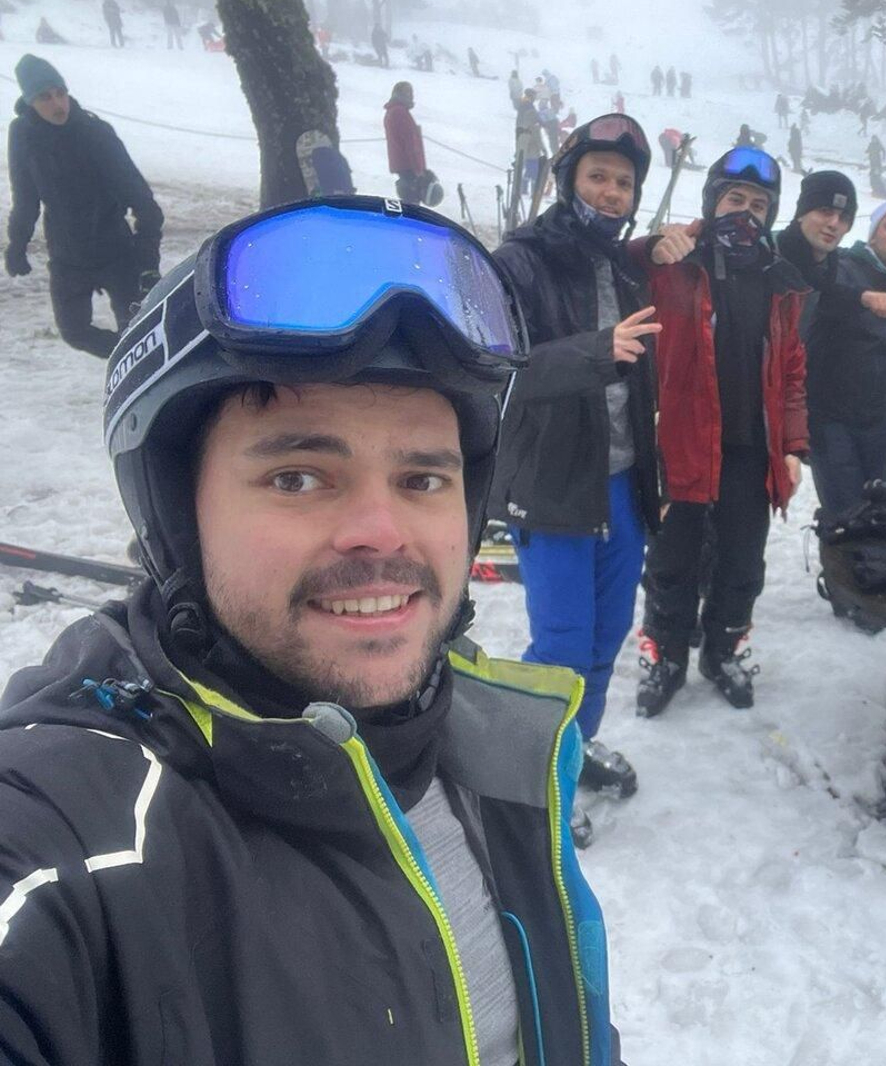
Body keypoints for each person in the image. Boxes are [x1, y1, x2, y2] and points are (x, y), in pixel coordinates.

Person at [0, 196, 619, 1064]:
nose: (383, 532)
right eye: (298, 477)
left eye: (422, 479)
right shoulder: (73, 837)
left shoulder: (493, 752)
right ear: (179, 518)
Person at [492, 115, 661, 840]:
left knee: (605, 638)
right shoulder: (521, 259)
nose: (612, 191)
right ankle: (537, 788)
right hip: (555, 485)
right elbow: (497, 368)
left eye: (625, 182)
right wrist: (597, 350)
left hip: (623, 482)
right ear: (568, 179)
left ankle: (572, 749)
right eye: (598, 176)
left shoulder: (625, 263)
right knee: (560, 646)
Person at [634, 147, 807, 715]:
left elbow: (791, 368)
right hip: (681, 443)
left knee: (742, 560)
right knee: (672, 559)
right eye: (736, 199)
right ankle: (666, 655)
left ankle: (724, 649)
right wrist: (649, 248)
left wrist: (793, 446)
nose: (747, 213)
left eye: (759, 205)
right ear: (712, 202)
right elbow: (616, 269)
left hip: (750, 450)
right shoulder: (674, 260)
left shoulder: (779, 278)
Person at [5, 54, 164, 359]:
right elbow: (25, 197)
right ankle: (123, 358)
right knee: (73, 331)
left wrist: (147, 261)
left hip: (116, 251)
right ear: (29, 102)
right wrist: (17, 244)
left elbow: (141, 200)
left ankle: (134, 371)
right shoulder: (23, 135)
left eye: (60, 93)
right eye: (45, 97)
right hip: (67, 256)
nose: (57, 104)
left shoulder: (95, 132)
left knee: (139, 332)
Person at [802, 196, 886, 524]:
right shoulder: (839, 265)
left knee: (877, 506)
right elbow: (819, 301)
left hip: (876, 419)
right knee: (847, 514)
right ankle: (840, 573)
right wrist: (862, 300)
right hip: (829, 417)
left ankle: (869, 571)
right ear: (872, 233)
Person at [384, 81, 428, 204]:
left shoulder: (392, 111)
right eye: (409, 92)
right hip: (408, 165)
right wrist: (419, 169)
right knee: (413, 203)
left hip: (401, 164)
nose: (412, 96)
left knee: (409, 200)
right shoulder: (400, 112)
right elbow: (410, 143)